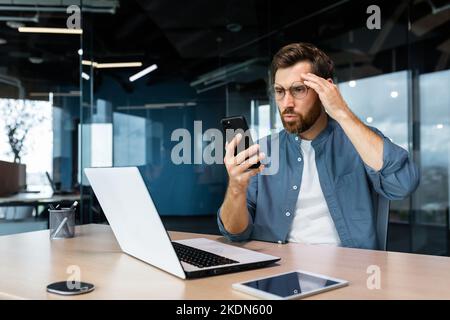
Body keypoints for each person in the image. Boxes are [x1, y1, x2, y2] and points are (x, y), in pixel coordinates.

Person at [217, 42, 420, 249]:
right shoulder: (262, 151)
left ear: (324, 90)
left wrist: (341, 112)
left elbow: (403, 185)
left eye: (298, 90)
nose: (287, 103)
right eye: (279, 91)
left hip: (350, 271)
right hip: (276, 269)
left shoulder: (359, 141)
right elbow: (235, 233)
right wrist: (236, 187)